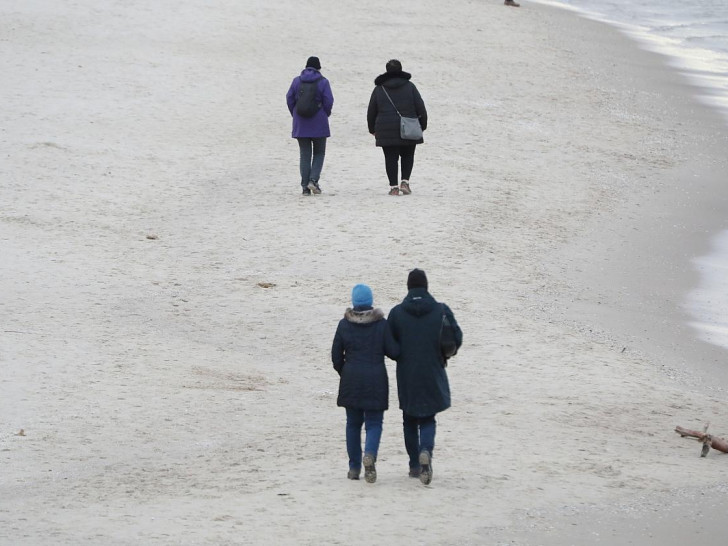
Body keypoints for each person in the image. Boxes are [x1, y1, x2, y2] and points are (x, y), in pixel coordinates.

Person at [387, 269, 462, 485]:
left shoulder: (397, 313)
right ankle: (426, 452)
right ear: (426, 286)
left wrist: (401, 355)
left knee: (409, 419)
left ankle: (413, 465)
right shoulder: (441, 310)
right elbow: (456, 337)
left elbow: (389, 346)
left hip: (407, 374)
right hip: (432, 370)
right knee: (428, 417)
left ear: (408, 287)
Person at [331, 284, 399, 483]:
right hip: (376, 378)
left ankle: (354, 468)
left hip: (351, 378)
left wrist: (345, 371)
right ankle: (369, 454)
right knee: (374, 423)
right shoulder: (381, 324)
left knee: (352, 424)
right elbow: (394, 352)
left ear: (354, 302)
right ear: (370, 302)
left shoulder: (344, 324)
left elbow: (336, 356)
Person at [367, 59, 428, 196]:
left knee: (390, 158)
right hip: (409, 127)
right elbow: (421, 108)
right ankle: (405, 182)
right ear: (400, 70)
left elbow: (371, 111)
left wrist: (372, 129)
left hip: (386, 129)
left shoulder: (379, 89)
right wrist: (422, 126)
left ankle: (394, 187)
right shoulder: (410, 86)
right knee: (408, 155)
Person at [286, 56, 334, 196]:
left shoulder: (296, 81)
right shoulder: (323, 82)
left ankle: (304, 187)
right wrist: (325, 114)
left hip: (300, 123)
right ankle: (313, 180)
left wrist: (295, 114)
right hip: (319, 121)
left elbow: (289, 99)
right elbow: (329, 101)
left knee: (305, 155)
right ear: (319, 68)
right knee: (319, 153)